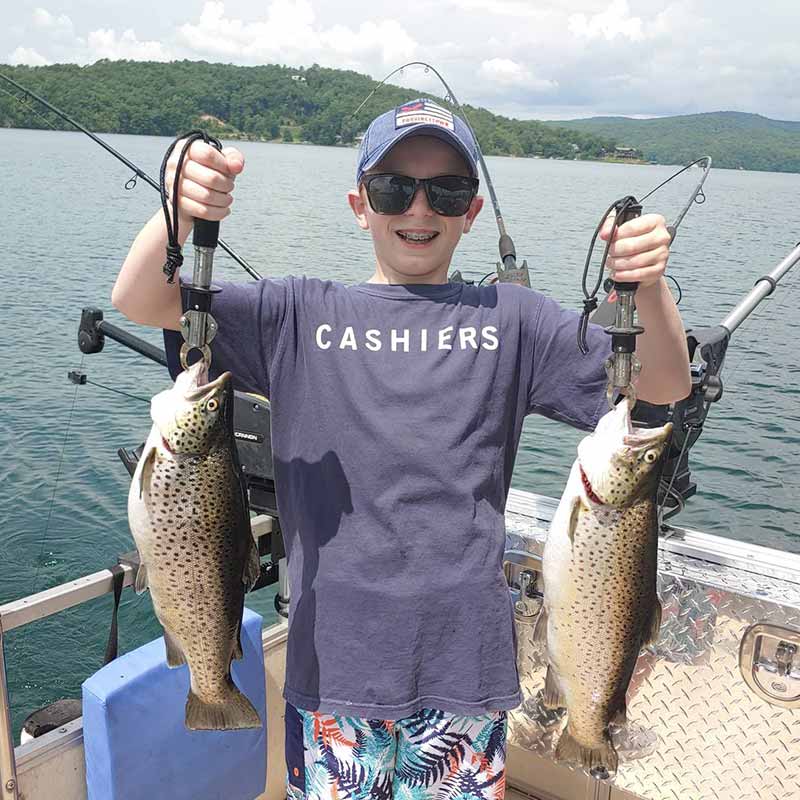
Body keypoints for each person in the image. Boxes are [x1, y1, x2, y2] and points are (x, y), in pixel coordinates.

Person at [112, 98, 690, 800]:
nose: (419, 209)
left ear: (470, 212)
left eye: (445, 191)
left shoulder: (514, 321)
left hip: (466, 669)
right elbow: (143, 299)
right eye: (394, 188)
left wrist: (649, 287)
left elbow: (659, 385)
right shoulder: (297, 313)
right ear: (360, 204)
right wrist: (174, 209)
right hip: (334, 668)